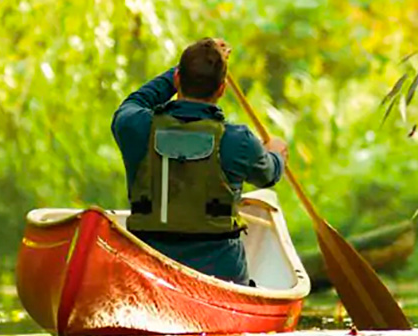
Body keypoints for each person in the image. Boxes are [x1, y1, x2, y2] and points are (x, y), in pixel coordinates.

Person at [111, 38, 289, 285]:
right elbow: (269, 175)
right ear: (222, 89)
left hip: (148, 265)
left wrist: (180, 70)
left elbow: (137, 101)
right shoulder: (239, 141)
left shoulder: (135, 127)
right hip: (222, 274)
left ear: (176, 80)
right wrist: (277, 154)